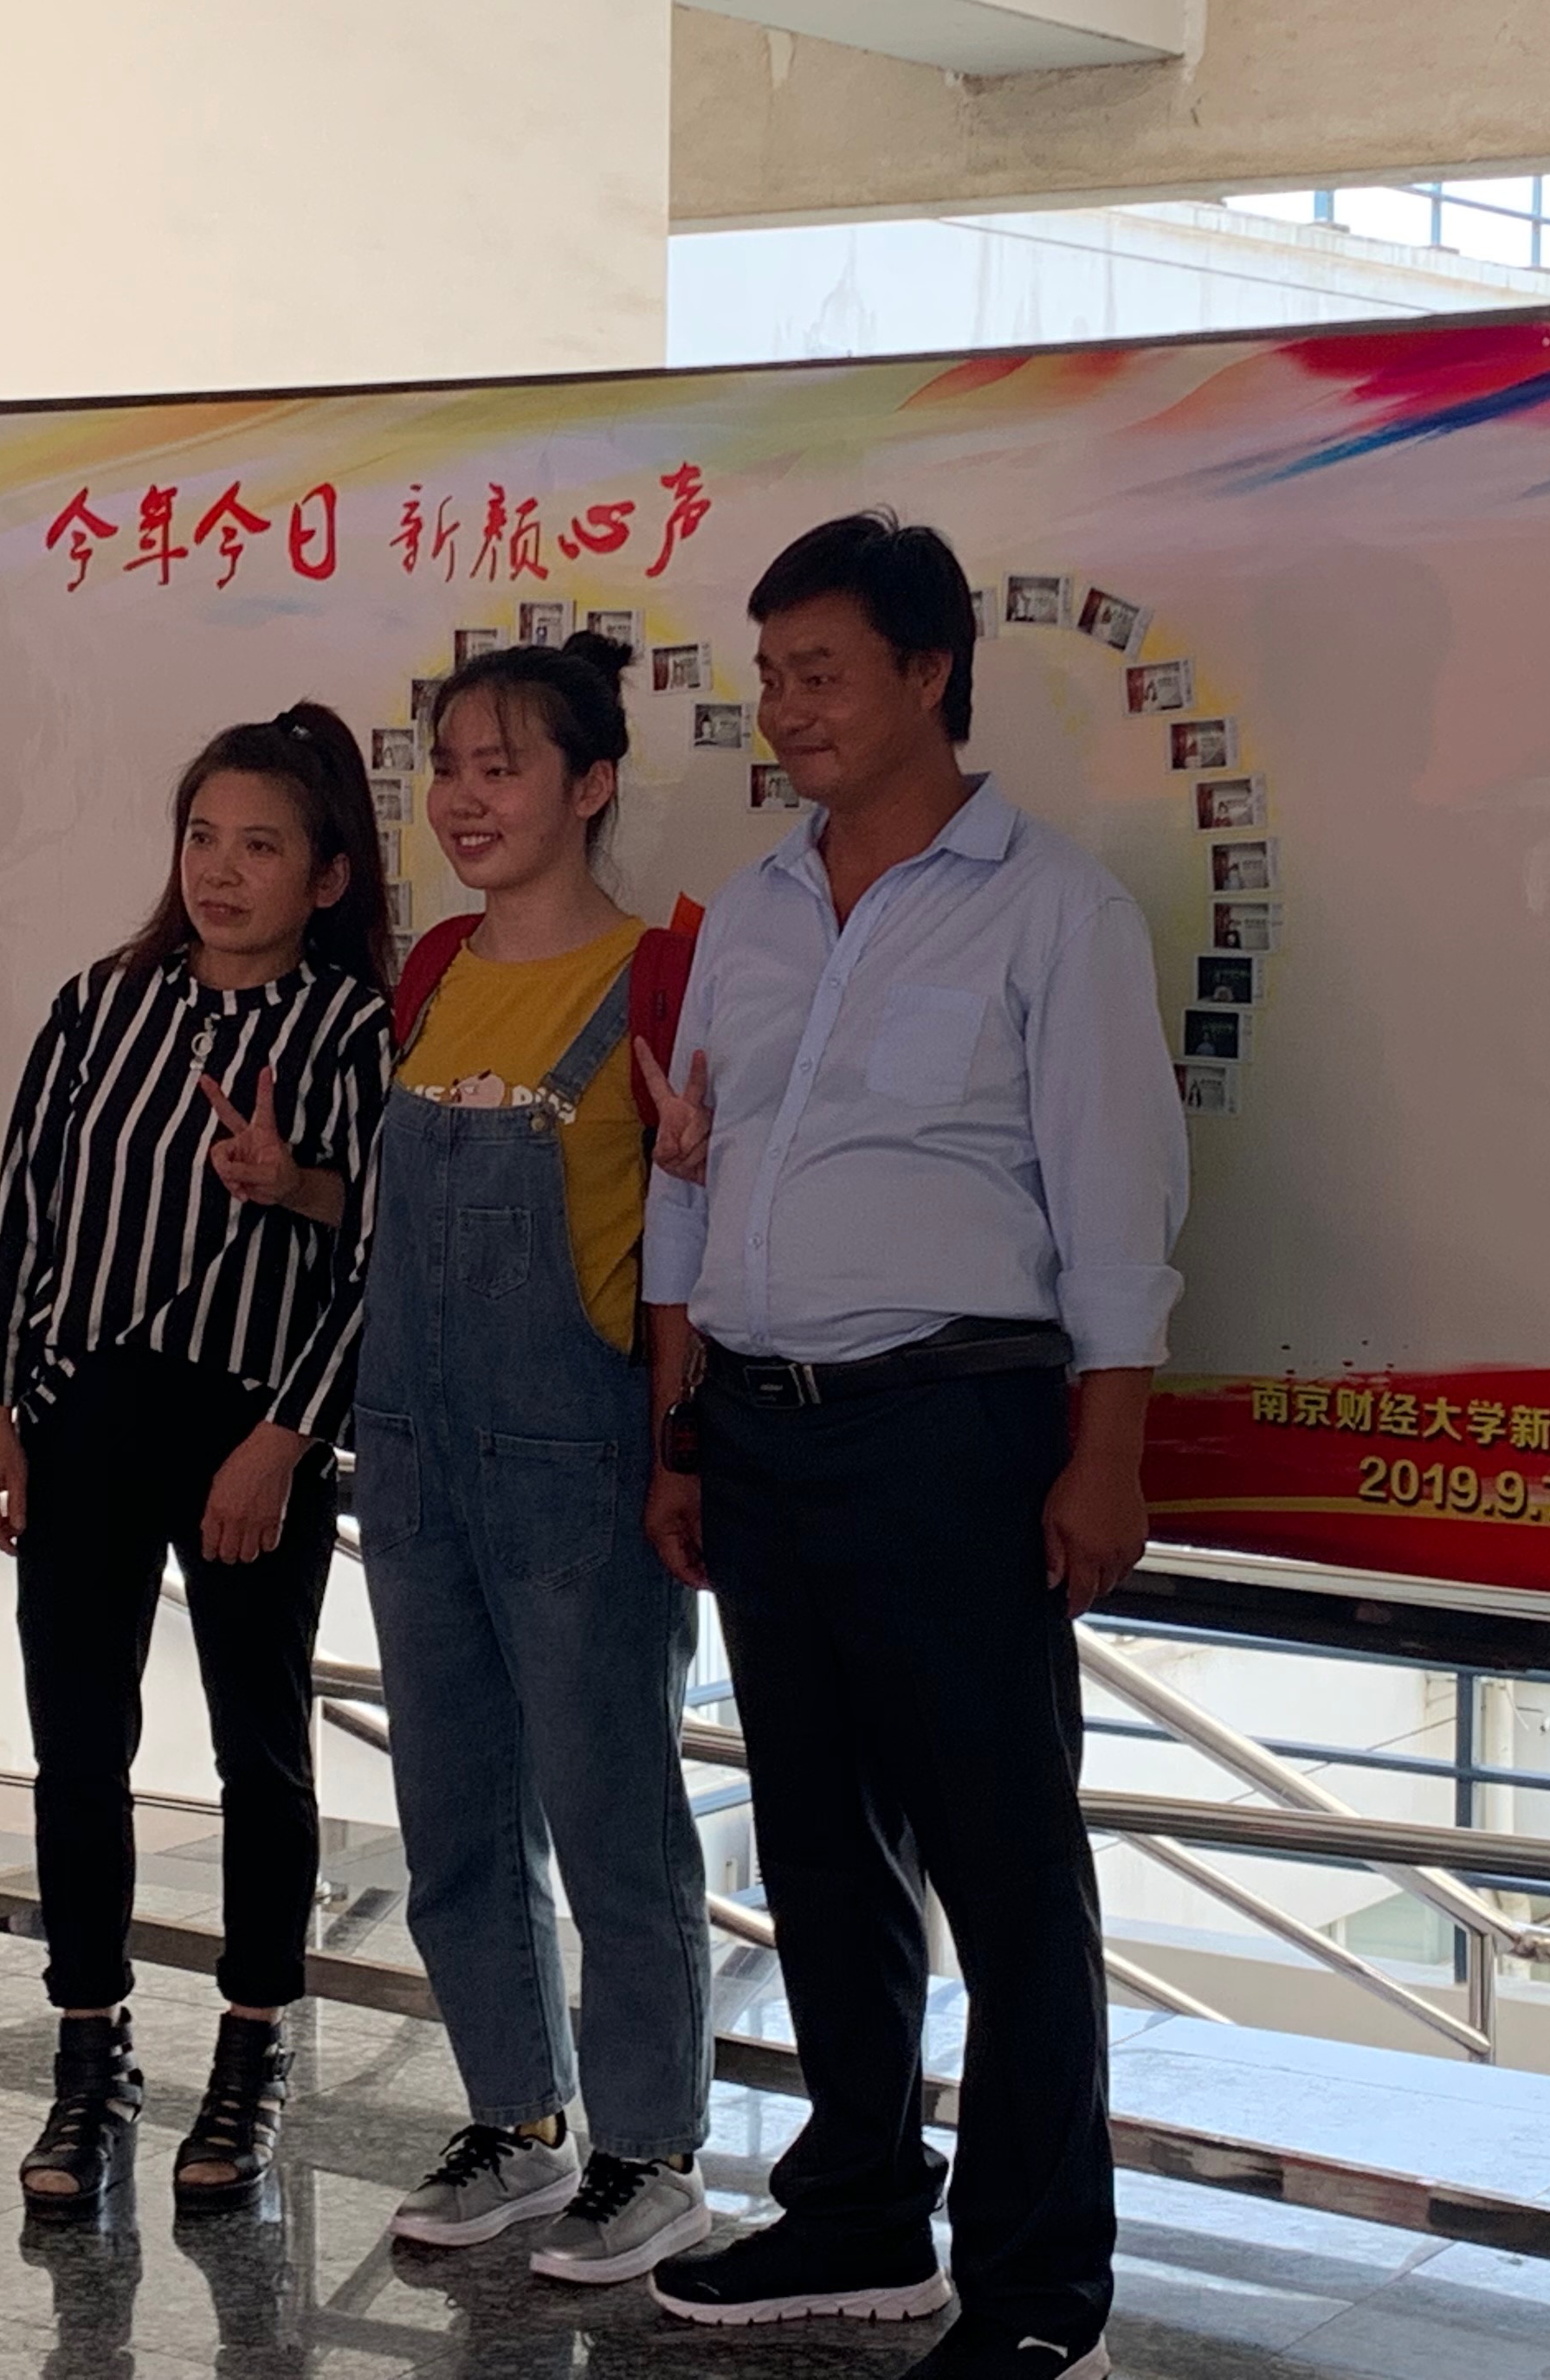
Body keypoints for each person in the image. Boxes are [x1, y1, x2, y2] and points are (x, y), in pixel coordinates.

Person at [636, 513, 1186, 2380]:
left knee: (1006, 1867)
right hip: (762, 1429)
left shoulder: (1054, 911)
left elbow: (1118, 1209)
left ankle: (1038, 2294)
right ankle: (863, 2208)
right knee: (816, 1846)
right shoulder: (754, 910)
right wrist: (680, 1432)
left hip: (956, 1426)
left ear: (930, 672)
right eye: (770, 674)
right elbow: (690, 1178)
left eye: (823, 672)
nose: (786, 707)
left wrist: (1103, 1457)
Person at [0, 706, 395, 2218]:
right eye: (203, 837)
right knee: (78, 1746)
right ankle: (89, 2056)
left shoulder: (353, 1032)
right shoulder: (100, 1003)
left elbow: (377, 1257)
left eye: (261, 846)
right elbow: (21, 1214)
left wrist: (287, 1436)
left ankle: (252, 2051)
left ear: (326, 878)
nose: (221, 871)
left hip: (253, 1432)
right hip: (80, 1416)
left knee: (258, 1753)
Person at [348, 633, 717, 2286]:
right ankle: (516, 2118)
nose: (464, 799)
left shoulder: (662, 976)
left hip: (579, 1457)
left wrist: (680, 1451)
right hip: (413, 1456)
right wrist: (298, 1187)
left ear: (592, 785)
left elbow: (688, 1252)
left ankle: (652, 2150)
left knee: (613, 1813)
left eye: (503, 767)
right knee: (450, 1815)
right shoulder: (432, 970)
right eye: (449, 767)